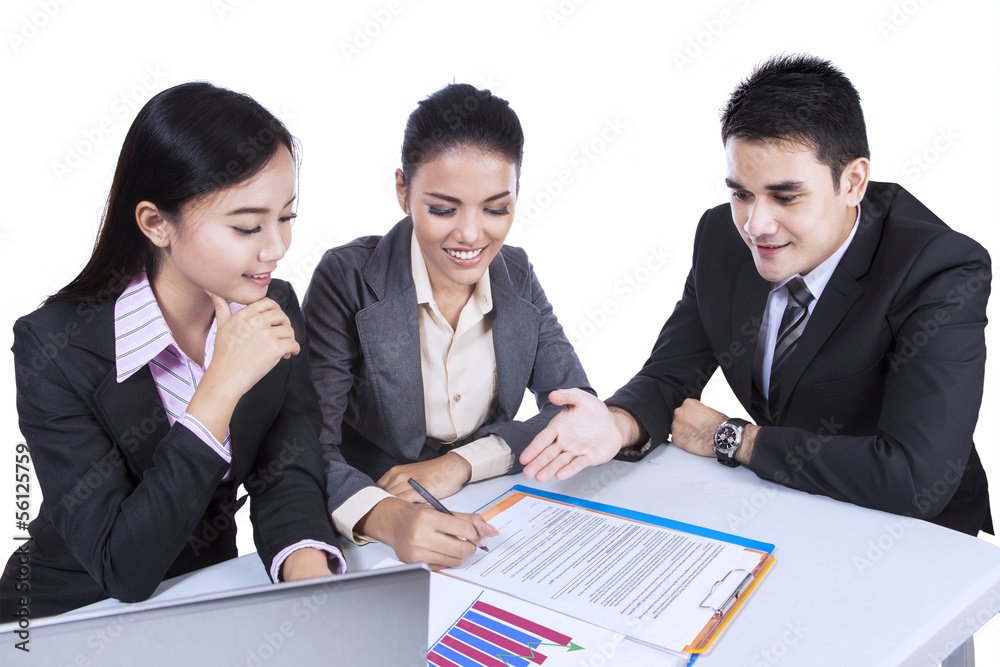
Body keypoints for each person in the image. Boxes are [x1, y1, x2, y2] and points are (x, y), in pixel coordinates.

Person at [520, 54, 992, 537]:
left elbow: (913, 478)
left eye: (785, 197)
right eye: (741, 193)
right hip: (791, 508)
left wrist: (735, 439)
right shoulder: (721, 238)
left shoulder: (939, 269)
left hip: (918, 535)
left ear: (853, 182)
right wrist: (617, 422)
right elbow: (670, 376)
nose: (756, 225)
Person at [0, 82, 344, 622]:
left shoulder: (272, 305)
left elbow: (285, 466)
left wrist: (309, 577)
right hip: (65, 616)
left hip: (201, 598)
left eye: (286, 217)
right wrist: (220, 387)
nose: (276, 248)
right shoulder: (54, 348)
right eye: (247, 226)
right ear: (156, 223)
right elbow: (122, 568)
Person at [302, 83, 592, 567]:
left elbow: (576, 407)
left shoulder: (516, 273)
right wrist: (385, 517)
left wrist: (459, 464)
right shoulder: (347, 278)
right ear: (403, 191)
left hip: (491, 508)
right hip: (374, 521)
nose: (472, 235)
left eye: (496, 208)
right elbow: (308, 445)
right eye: (443, 209)